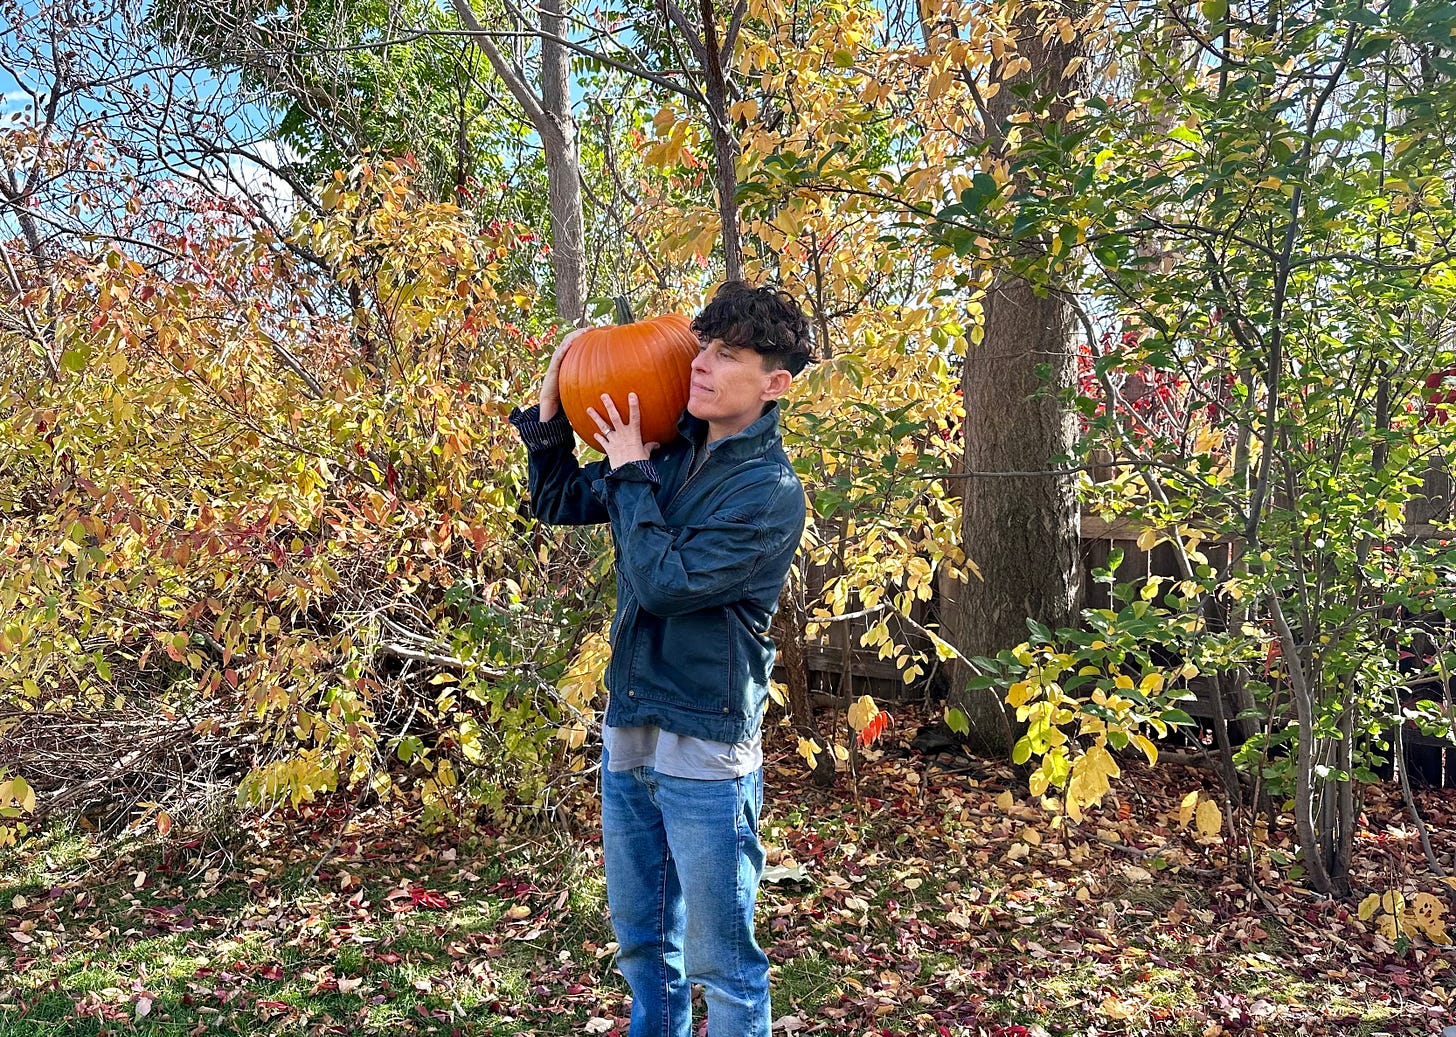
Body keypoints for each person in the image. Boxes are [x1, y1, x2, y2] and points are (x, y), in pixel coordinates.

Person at [509, 280, 813, 1037]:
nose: (702, 363)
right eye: (703, 346)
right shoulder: (667, 451)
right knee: (644, 946)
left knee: (723, 966)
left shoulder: (771, 492)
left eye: (728, 354)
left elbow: (663, 582)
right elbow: (556, 502)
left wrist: (629, 469)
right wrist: (553, 408)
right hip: (632, 725)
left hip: (706, 748)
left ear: (774, 383)